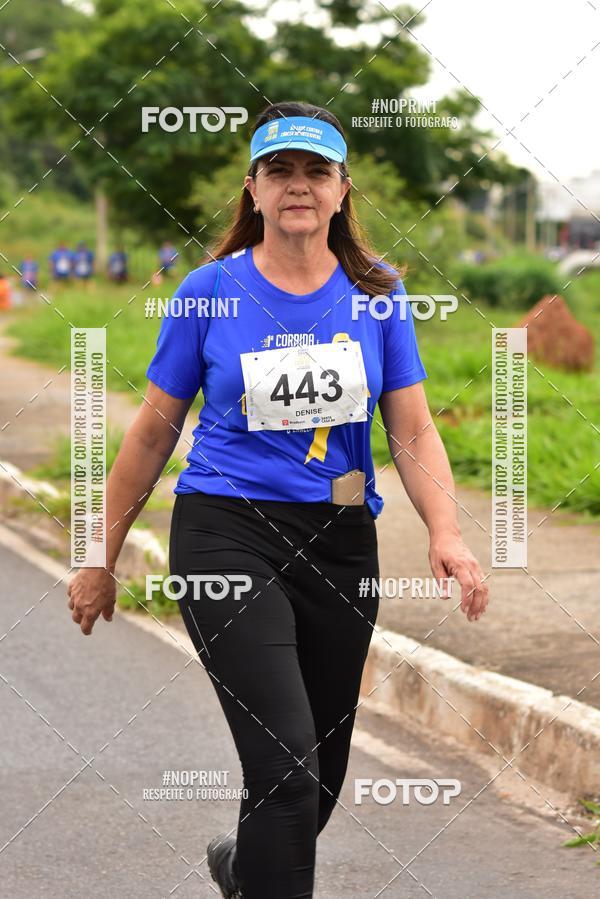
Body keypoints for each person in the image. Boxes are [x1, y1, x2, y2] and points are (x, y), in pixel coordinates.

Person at [67, 101, 489, 898]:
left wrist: (448, 531)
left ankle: (242, 868)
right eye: (280, 171)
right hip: (227, 532)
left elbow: (415, 430)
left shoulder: (378, 293)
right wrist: (100, 556)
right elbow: (153, 434)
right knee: (287, 766)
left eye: (316, 171)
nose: (299, 185)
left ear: (341, 190)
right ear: (253, 190)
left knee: (313, 781)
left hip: (339, 540)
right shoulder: (207, 292)